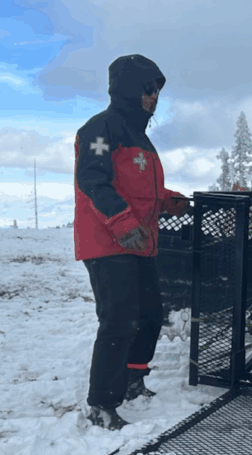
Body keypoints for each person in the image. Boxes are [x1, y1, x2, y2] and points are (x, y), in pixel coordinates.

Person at [74, 54, 189, 430]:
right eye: (147, 89)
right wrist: (122, 221)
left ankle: (133, 378)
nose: (153, 97)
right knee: (119, 320)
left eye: (156, 91)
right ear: (129, 88)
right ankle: (102, 403)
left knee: (151, 316)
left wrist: (170, 200)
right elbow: (93, 179)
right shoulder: (100, 128)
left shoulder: (142, 138)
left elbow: (142, 189)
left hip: (140, 242)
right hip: (108, 241)